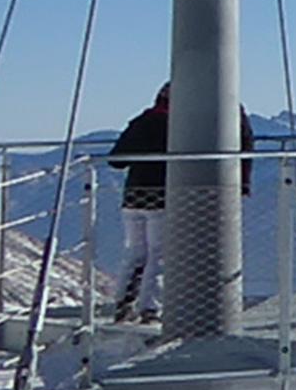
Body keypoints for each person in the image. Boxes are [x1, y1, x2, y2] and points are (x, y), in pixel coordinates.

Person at [104, 83, 256, 326]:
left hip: (135, 195)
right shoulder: (190, 125)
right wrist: (243, 182)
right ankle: (149, 308)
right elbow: (245, 141)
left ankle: (124, 305)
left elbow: (117, 160)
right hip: (169, 195)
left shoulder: (145, 120)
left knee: (136, 252)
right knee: (160, 254)